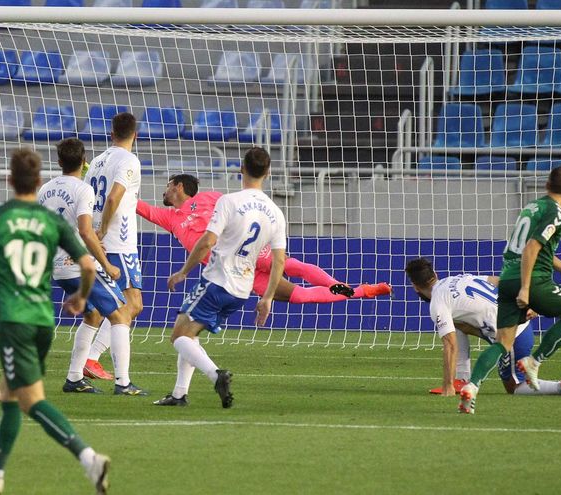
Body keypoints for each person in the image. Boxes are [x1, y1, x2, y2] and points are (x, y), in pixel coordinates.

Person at [0, 148, 110, 495]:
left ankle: (88, 458)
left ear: (10, 181)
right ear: (38, 181)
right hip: (43, 320)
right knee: (11, 396)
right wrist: (83, 297)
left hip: (16, 320)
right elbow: (88, 266)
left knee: (30, 401)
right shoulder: (50, 221)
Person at [160, 148, 287, 408]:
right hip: (242, 291)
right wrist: (268, 298)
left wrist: (183, 271)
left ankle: (216, 375)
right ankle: (179, 394)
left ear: (241, 168)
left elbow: (207, 241)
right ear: (268, 172)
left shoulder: (229, 201)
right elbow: (280, 261)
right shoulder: (275, 212)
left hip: (217, 280)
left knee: (178, 337)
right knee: (190, 334)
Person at [138, 173, 391, 303]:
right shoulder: (170, 217)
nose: (165, 190)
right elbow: (140, 207)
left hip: (247, 248)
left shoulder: (211, 197)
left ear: (179, 187)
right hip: (236, 272)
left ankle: (341, 286)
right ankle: (362, 291)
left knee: (290, 265)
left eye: (168, 185)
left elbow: (239, 209)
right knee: (300, 297)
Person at [459, 165, 561, 414]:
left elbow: (542, 251)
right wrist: (526, 288)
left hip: (508, 278)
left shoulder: (533, 207)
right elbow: (532, 249)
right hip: (532, 280)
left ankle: (472, 387)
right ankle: (534, 361)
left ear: (546, 185)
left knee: (502, 342)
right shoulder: (556, 213)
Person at [38, 138, 143, 395]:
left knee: (92, 315)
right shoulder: (83, 190)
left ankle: (74, 378)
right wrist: (106, 263)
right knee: (121, 313)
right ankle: (123, 383)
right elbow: (85, 231)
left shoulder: (45, 189)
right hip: (79, 264)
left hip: (57, 266)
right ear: (84, 161)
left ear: (59, 161)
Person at [405, 258, 561, 398]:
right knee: (455, 324)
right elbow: (498, 280)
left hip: (512, 335)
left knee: (514, 387)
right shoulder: (458, 278)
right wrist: (530, 300)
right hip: (513, 320)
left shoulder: (437, 303)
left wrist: (446, 386)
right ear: (435, 274)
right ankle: (462, 379)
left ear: (415, 286)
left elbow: (450, 344)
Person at [81, 112, 145, 394]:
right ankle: (93, 361)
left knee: (101, 308)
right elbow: (114, 197)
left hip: (98, 240)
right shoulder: (129, 160)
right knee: (131, 305)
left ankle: (80, 368)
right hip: (117, 242)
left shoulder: (96, 160)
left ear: (111, 133)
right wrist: (104, 230)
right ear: (136, 134)